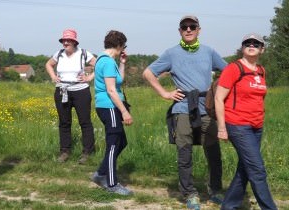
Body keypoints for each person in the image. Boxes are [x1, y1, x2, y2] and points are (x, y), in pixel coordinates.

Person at [143, 15, 227, 209]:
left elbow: (230, 71)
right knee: (184, 151)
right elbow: (148, 73)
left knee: (213, 151)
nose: (188, 30)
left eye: (192, 26)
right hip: (182, 108)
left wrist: (219, 93)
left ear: (199, 29)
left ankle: (215, 190)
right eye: (184, 27)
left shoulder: (209, 52)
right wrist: (165, 93)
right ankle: (190, 193)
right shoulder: (172, 53)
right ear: (179, 30)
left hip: (206, 108)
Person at [215, 33, 277, 210]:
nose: (251, 45)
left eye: (256, 43)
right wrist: (221, 128)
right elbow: (219, 98)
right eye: (247, 43)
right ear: (242, 48)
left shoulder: (261, 71)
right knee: (257, 170)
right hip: (237, 125)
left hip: (256, 126)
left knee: (245, 168)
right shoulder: (234, 68)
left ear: (262, 49)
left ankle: (228, 206)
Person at [91, 30, 133, 196]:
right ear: (119, 45)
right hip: (109, 106)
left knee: (121, 142)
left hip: (109, 106)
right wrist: (124, 112)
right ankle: (111, 183)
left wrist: (123, 63)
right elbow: (111, 90)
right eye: (123, 46)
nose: (123, 49)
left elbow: (118, 82)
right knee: (114, 143)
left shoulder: (108, 60)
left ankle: (100, 174)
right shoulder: (107, 62)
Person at [45, 29, 96, 164]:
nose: (65, 43)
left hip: (81, 91)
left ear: (74, 42)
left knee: (85, 122)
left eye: (68, 40)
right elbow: (48, 64)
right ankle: (65, 152)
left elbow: (99, 65)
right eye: (63, 40)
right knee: (64, 123)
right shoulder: (59, 54)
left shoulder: (83, 53)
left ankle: (87, 152)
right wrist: (53, 76)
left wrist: (89, 77)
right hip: (62, 91)